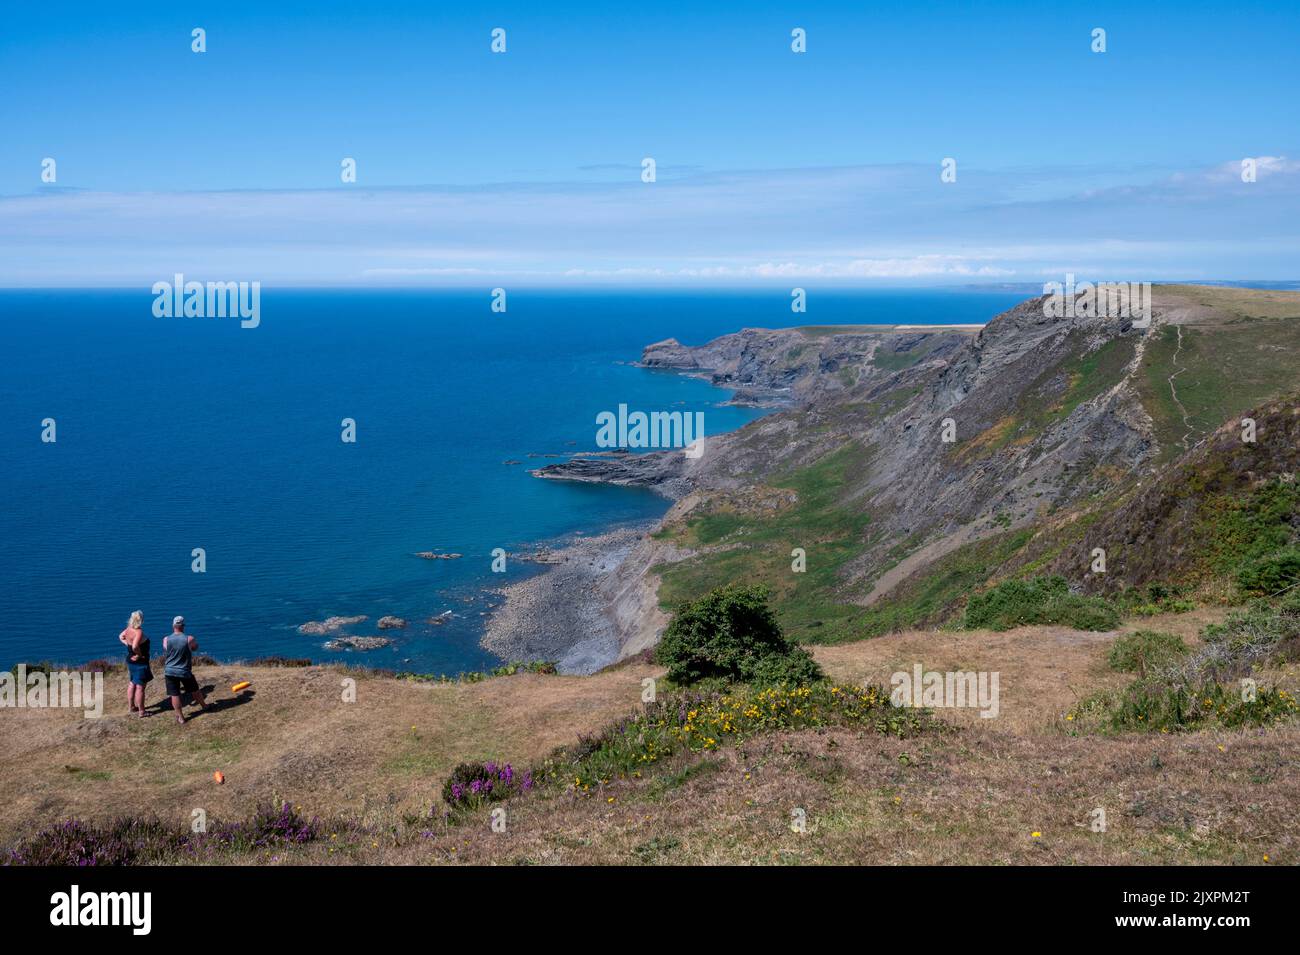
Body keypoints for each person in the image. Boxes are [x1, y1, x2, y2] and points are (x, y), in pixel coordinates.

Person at [161, 616, 207, 724]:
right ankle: (204, 706)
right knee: (194, 690)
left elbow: (166, 649)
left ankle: (181, 718)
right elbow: (195, 647)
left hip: (169, 671)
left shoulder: (166, 639)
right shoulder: (189, 639)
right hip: (184, 670)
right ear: (183, 626)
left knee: (175, 694)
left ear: (173, 626)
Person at [118, 610, 152, 718]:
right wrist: (139, 655)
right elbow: (135, 646)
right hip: (140, 662)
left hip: (130, 661)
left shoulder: (128, 629)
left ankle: (131, 707)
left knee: (132, 683)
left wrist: (127, 644)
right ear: (141, 620)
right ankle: (142, 711)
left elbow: (121, 636)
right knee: (140, 687)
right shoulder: (138, 631)